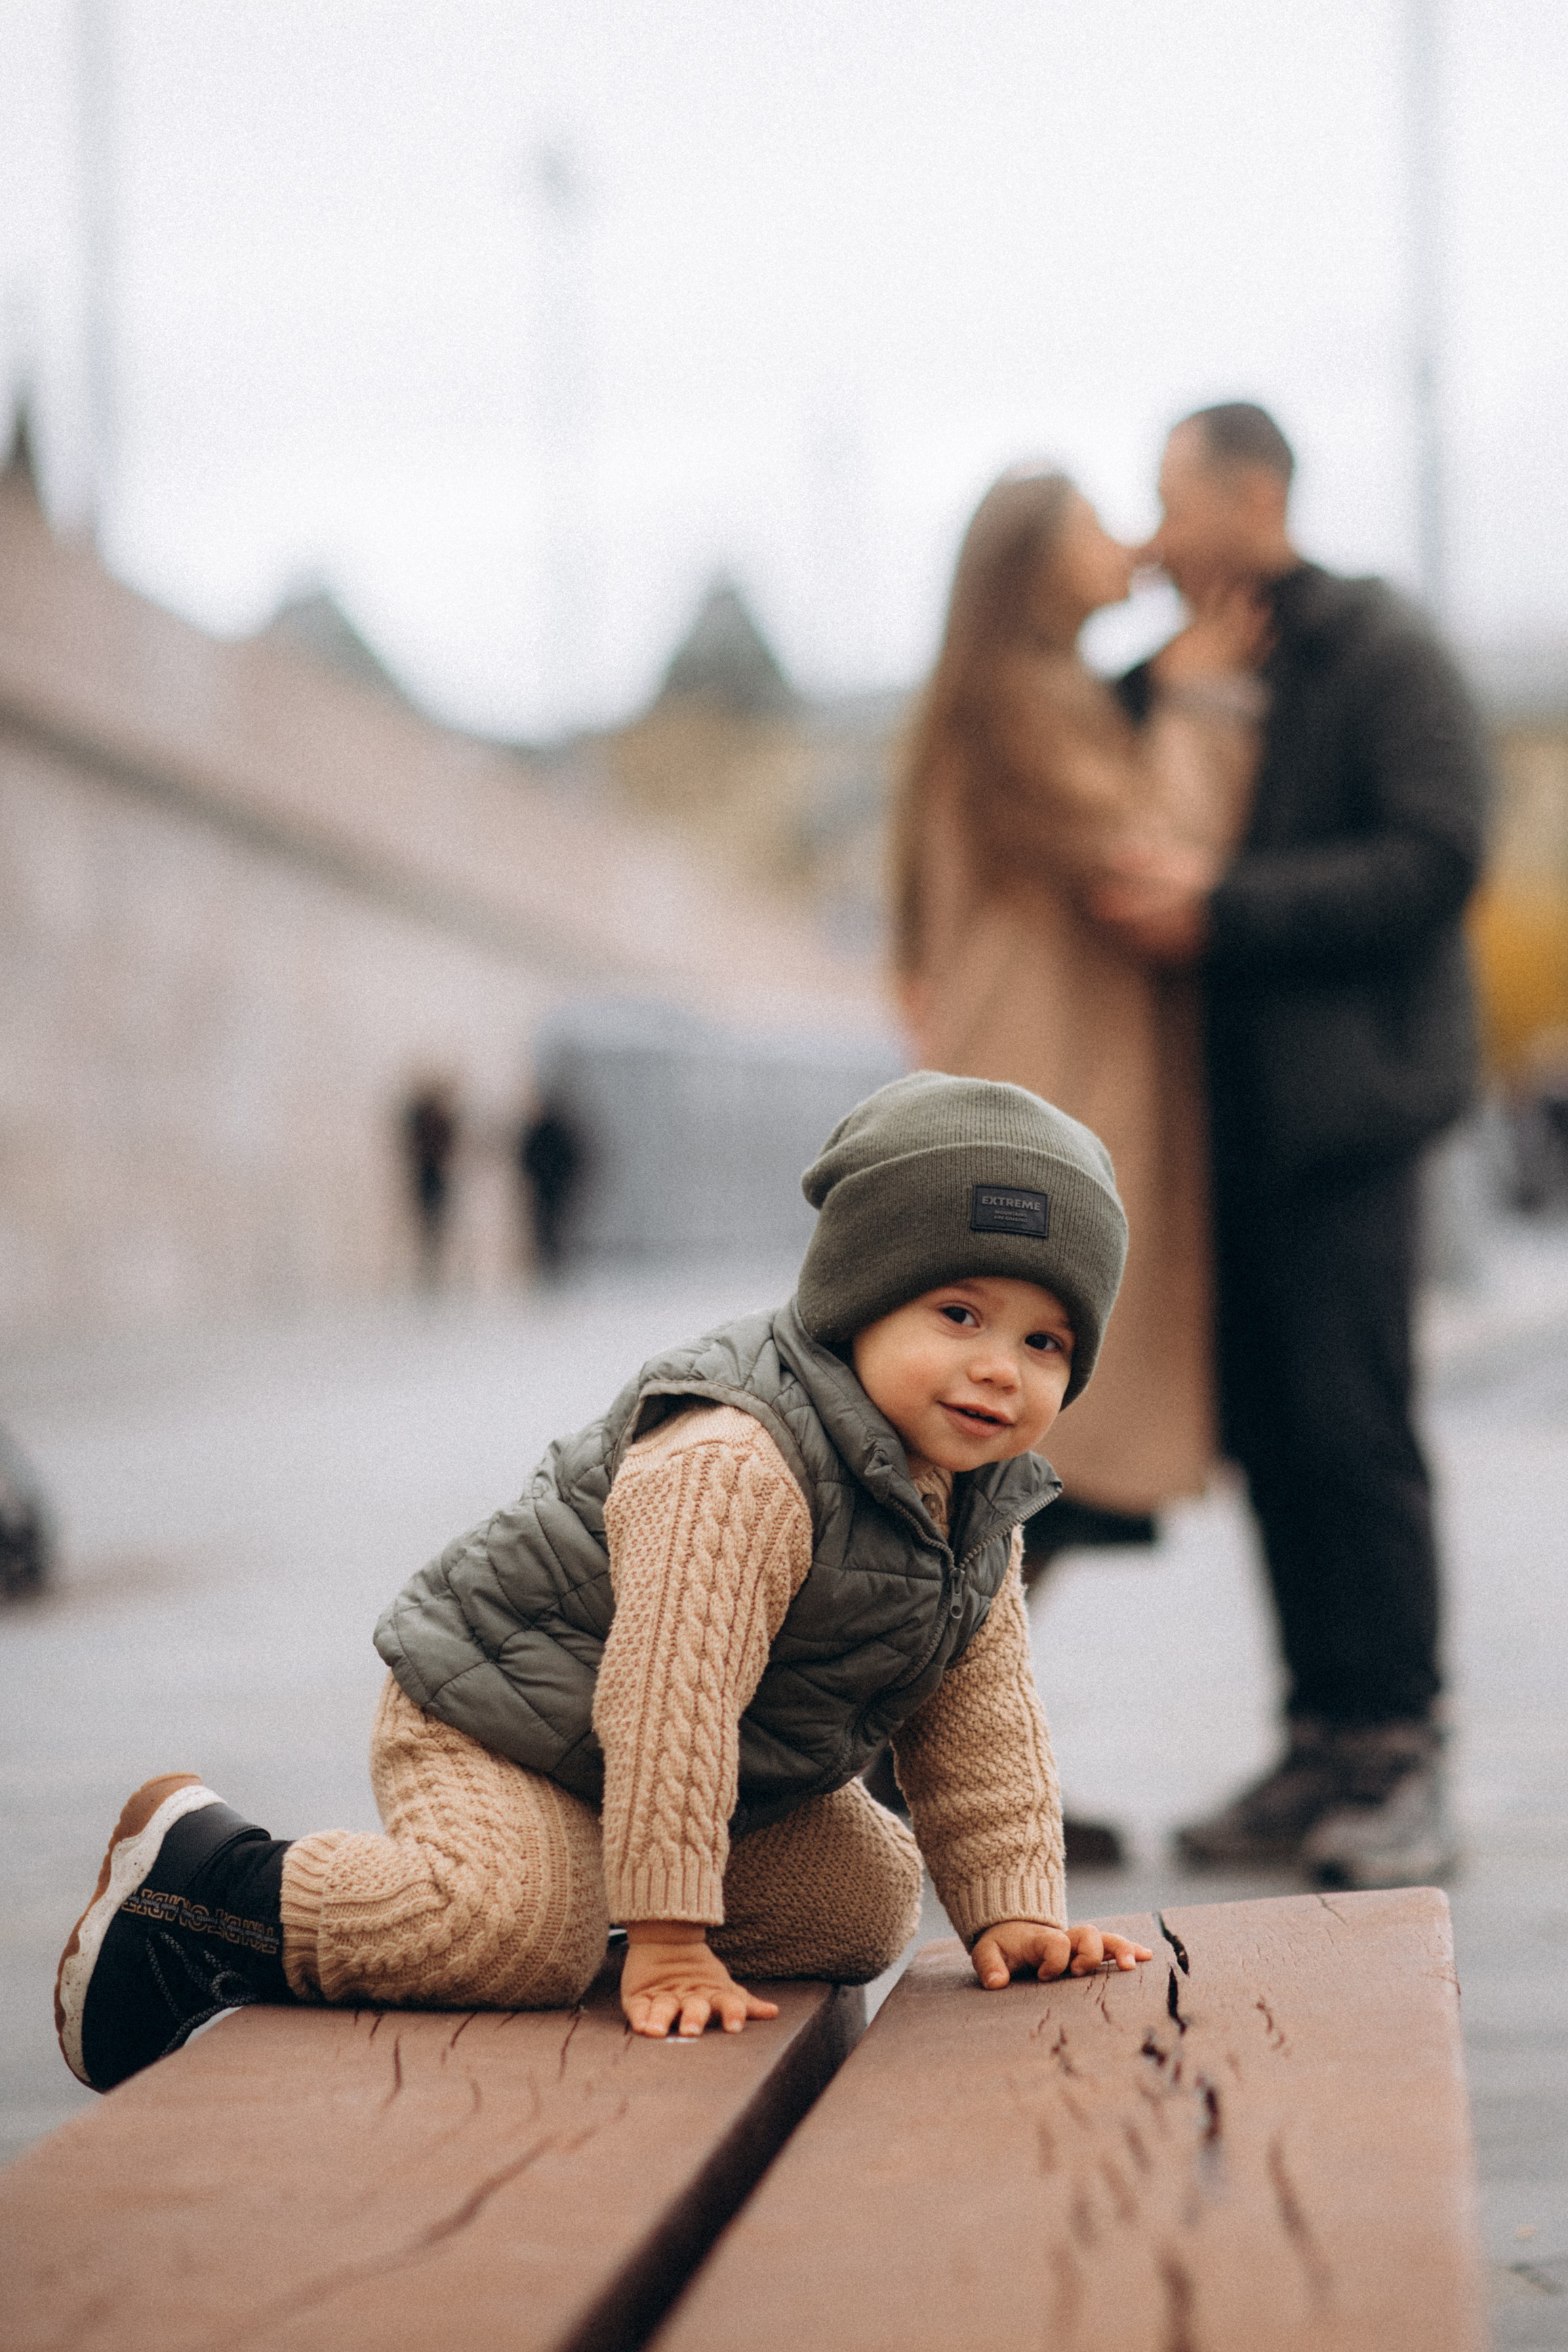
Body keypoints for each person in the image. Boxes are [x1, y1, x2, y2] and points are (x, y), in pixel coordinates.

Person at [56, 1074, 1152, 2090]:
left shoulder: (973, 1497)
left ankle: (588, 1894)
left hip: (699, 1774)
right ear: (856, 1293)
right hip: (503, 1719)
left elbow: (981, 1722)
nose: (1000, 1367)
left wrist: (1015, 1912)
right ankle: (209, 1887)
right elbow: (667, 1703)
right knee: (516, 1931)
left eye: (1046, 1339)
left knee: (860, 1900)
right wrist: (671, 1938)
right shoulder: (738, 1457)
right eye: (957, 1314)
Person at [1095, 403, 1489, 1887]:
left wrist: (1227, 903)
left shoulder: (1375, 648)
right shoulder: (1177, 672)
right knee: (1271, 1436)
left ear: (1252, 495)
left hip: (1348, 1116)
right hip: (1225, 1129)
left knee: (1351, 1427)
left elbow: (1437, 853)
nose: (1151, 532)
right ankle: (1320, 1738)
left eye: (1169, 498)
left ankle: (1399, 1751)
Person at [892, 473, 1264, 1559]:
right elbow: (1155, 859)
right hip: (1043, 1093)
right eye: (1098, 527)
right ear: (1035, 562)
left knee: (1004, 1460)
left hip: (1026, 1081)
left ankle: (918, 1719)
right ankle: (906, 1722)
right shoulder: (1027, 695)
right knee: (1007, 1446)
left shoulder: (1006, 692)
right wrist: (1198, 699)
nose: (1129, 545)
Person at [400, 1080, 460, 1286]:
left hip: (438, 1174)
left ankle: (437, 1269)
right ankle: (426, 1268)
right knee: (426, 1224)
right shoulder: (422, 1122)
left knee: (438, 1223)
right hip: (426, 1175)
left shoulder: (442, 1122)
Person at [517, 1096, 585, 1275]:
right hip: (548, 1185)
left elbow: (572, 1157)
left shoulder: (551, 1132)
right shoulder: (546, 1132)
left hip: (551, 1185)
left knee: (550, 1224)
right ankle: (549, 1258)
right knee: (547, 1224)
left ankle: (552, 1258)